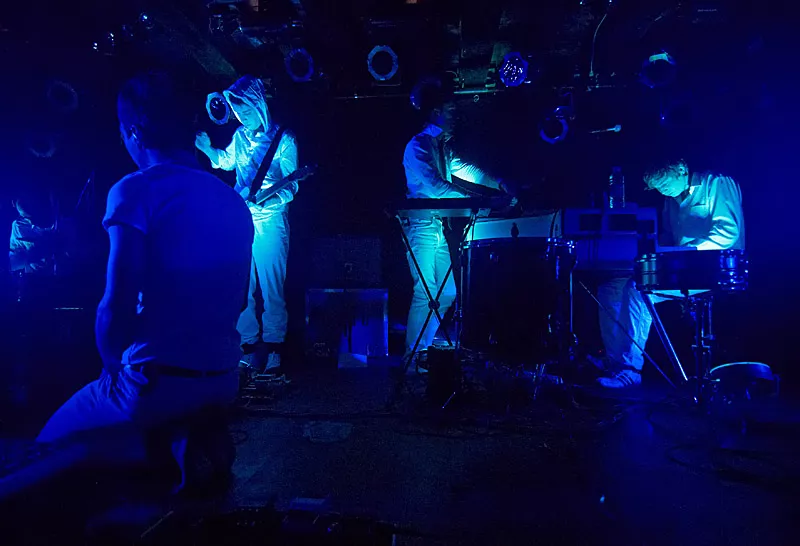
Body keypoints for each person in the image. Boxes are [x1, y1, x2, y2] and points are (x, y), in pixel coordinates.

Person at [37, 72, 254, 463]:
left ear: (134, 132)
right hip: (224, 380)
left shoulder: (135, 189)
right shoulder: (234, 202)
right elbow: (238, 302)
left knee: (46, 448)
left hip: (157, 382)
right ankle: (179, 453)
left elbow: (115, 305)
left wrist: (111, 365)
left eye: (123, 133)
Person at [596, 159, 744, 388]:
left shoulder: (716, 183)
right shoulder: (670, 199)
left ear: (682, 170)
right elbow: (667, 237)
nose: (662, 191)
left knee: (638, 289)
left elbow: (728, 233)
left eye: (664, 183)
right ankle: (615, 362)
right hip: (686, 269)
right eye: (658, 188)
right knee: (611, 288)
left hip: (716, 269)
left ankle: (630, 370)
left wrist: (684, 252)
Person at [401, 80, 512, 367]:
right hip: (421, 226)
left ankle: (423, 351)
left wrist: (499, 182)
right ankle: (412, 357)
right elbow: (436, 186)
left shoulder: (441, 147)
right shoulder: (418, 146)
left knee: (447, 291)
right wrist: (481, 200)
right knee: (425, 291)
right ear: (436, 112)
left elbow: (465, 169)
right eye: (450, 111)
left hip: (436, 225)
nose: (454, 116)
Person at [195, 75, 298, 375]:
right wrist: (207, 148)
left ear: (258, 104)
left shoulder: (285, 138)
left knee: (272, 285)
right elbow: (226, 162)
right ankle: (247, 347)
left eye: (245, 109)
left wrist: (270, 201)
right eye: (237, 110)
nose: (241, 116)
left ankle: (275, 348)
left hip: (271, 221)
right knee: (243, 284)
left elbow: (292, 185)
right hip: (241, 219)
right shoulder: (239, 136)